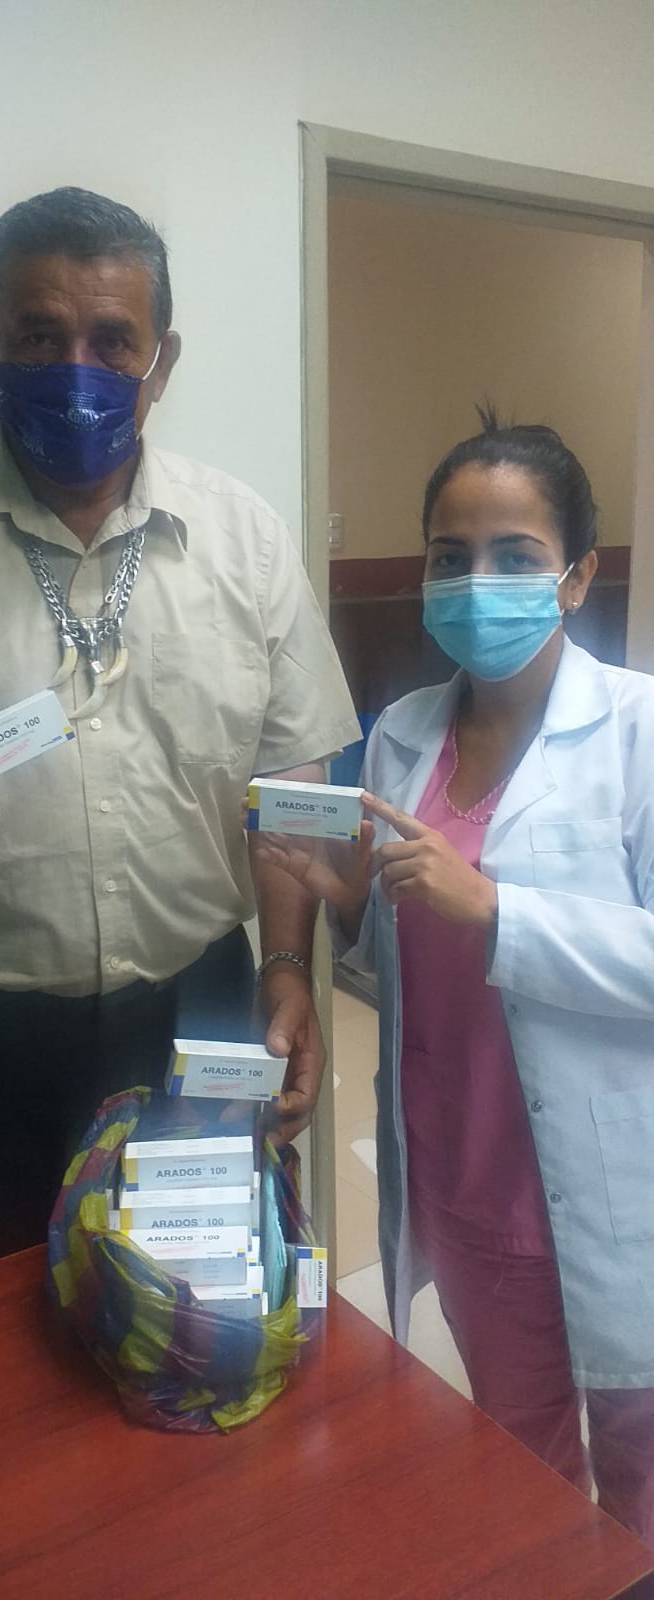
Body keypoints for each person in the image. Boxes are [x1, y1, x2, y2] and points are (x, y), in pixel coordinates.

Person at [0, 186, 359, 1276]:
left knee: (196, 1300)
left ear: (162, 359)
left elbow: (290, 765)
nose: (76, 367)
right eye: (38, 337)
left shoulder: (243, 536)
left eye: (111, 341)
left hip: (199, 1008)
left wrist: (288, 962)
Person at [255, 412, 654, 1547]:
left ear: (576, 576)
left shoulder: (638, 732)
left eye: (515, 556)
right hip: (464, 1177)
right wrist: (349, 903)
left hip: (613, 1183)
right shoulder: (401, 734)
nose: (477, 583)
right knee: (519, 1461)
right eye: (449, 556)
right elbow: (409, 959)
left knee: (641, 1471)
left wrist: (497, 908)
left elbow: (500, 921)